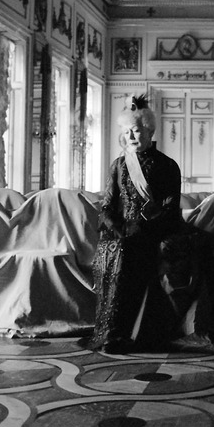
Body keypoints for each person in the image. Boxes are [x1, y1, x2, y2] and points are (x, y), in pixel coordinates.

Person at [87, 94, 196, 352]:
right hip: (123, 231)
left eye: (135, 131)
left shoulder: (168, 166)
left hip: (155, 230)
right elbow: (107, 206)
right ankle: (109, 331)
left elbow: (170, 210)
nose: (130, 137)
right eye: (126, 132)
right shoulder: (118, 165)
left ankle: (125, 334)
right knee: (113, 249)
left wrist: (142, 227)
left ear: (149, 130)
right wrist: (118, 227)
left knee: (129, 251)